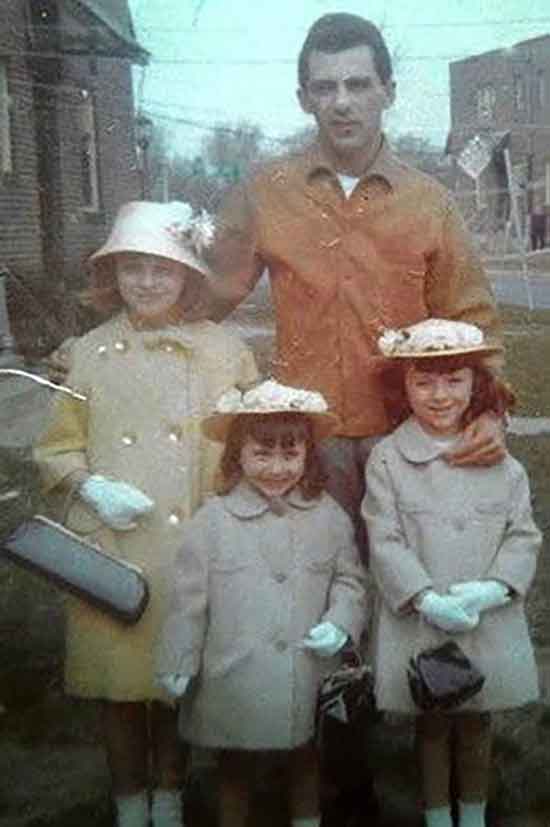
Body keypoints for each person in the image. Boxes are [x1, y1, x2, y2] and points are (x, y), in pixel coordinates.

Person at [188, 12, 505, 559]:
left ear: (388, 90)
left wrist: (490, 411)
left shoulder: (429, 201)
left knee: (412, 586)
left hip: (410, 434)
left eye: (358, 84)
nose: (342, 102)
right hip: (308, 442)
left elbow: (472, 320)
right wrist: (100, 340)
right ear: (303, 97)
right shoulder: (268, 192)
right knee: (314, 596)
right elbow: (201, 297)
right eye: (324, 86)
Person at [33, 200, 258, 827]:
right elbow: (57, 443)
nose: (148, 283)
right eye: (133, 268)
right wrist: (89, 487)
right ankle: (130, 804)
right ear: (113, 277)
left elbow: (245, 445)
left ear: (189, 276)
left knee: (175, 679)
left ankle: (170, 795)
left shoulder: (225, 352)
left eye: (163, 269)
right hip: (112, 543)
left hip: (191, 537)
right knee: (119, 687)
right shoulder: (87, 354)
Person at [155, 378, 367, 827]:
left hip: (303, 672)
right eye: (262, 453)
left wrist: (340, 622)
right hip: (234, 671)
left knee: (306, 761)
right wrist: (179, 659)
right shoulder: (211, 521)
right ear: (237, 455)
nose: (276, 467)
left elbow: (350, 581)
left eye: (290, 453)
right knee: (234, 769)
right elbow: (188, 602)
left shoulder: (328, 515)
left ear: (308, 454)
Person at [361, 319, 541, 827]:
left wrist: (493, 588)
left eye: (454, 380)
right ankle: (439, 816)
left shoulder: (503, 465)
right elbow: (385, 537)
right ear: (405, 387)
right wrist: (424, 598)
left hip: (485, 616)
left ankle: (475, 813)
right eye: (424, 382)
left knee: (478, 719)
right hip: (424, 616)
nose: (440, 395)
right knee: (433, 720)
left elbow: (522, 534)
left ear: (475, 385)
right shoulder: (389, 460)